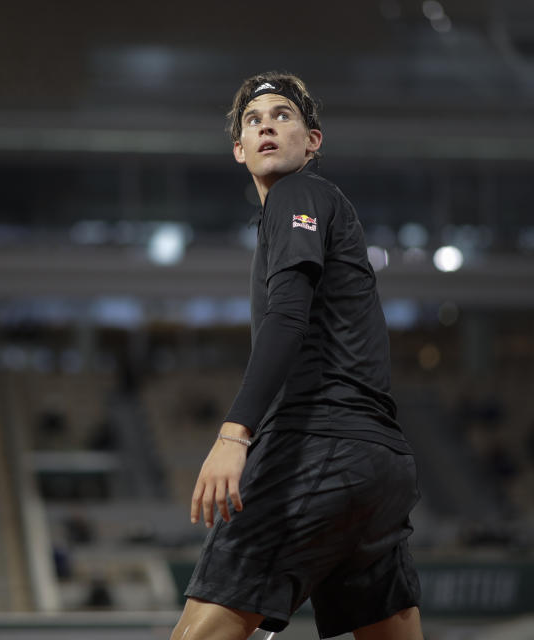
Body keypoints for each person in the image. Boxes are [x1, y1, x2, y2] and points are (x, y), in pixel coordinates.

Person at [171, 72, 423, 640]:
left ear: (313, 142)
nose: (266, 126)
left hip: (318, 447)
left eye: (283, 116)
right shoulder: (315, 209)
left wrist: (235, 435)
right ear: (238, 148)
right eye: (253, 121)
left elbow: (288, 319)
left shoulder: (298, 194)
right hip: (381, 467)